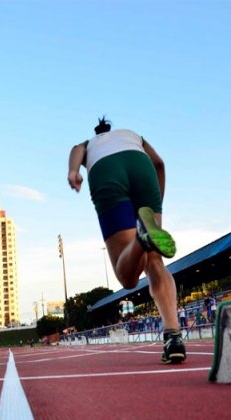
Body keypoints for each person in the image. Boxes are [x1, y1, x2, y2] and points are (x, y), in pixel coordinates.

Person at [67, 117, 186, 364]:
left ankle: (142, 239)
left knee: (128, 278)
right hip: (142, 167)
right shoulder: (132, 135)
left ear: (97, 132)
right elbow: (159, 164)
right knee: (155, 263)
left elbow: (77, 149)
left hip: (106, 170)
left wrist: (74, 171)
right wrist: (156, 205)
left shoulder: (90, 144)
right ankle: (173, 336)